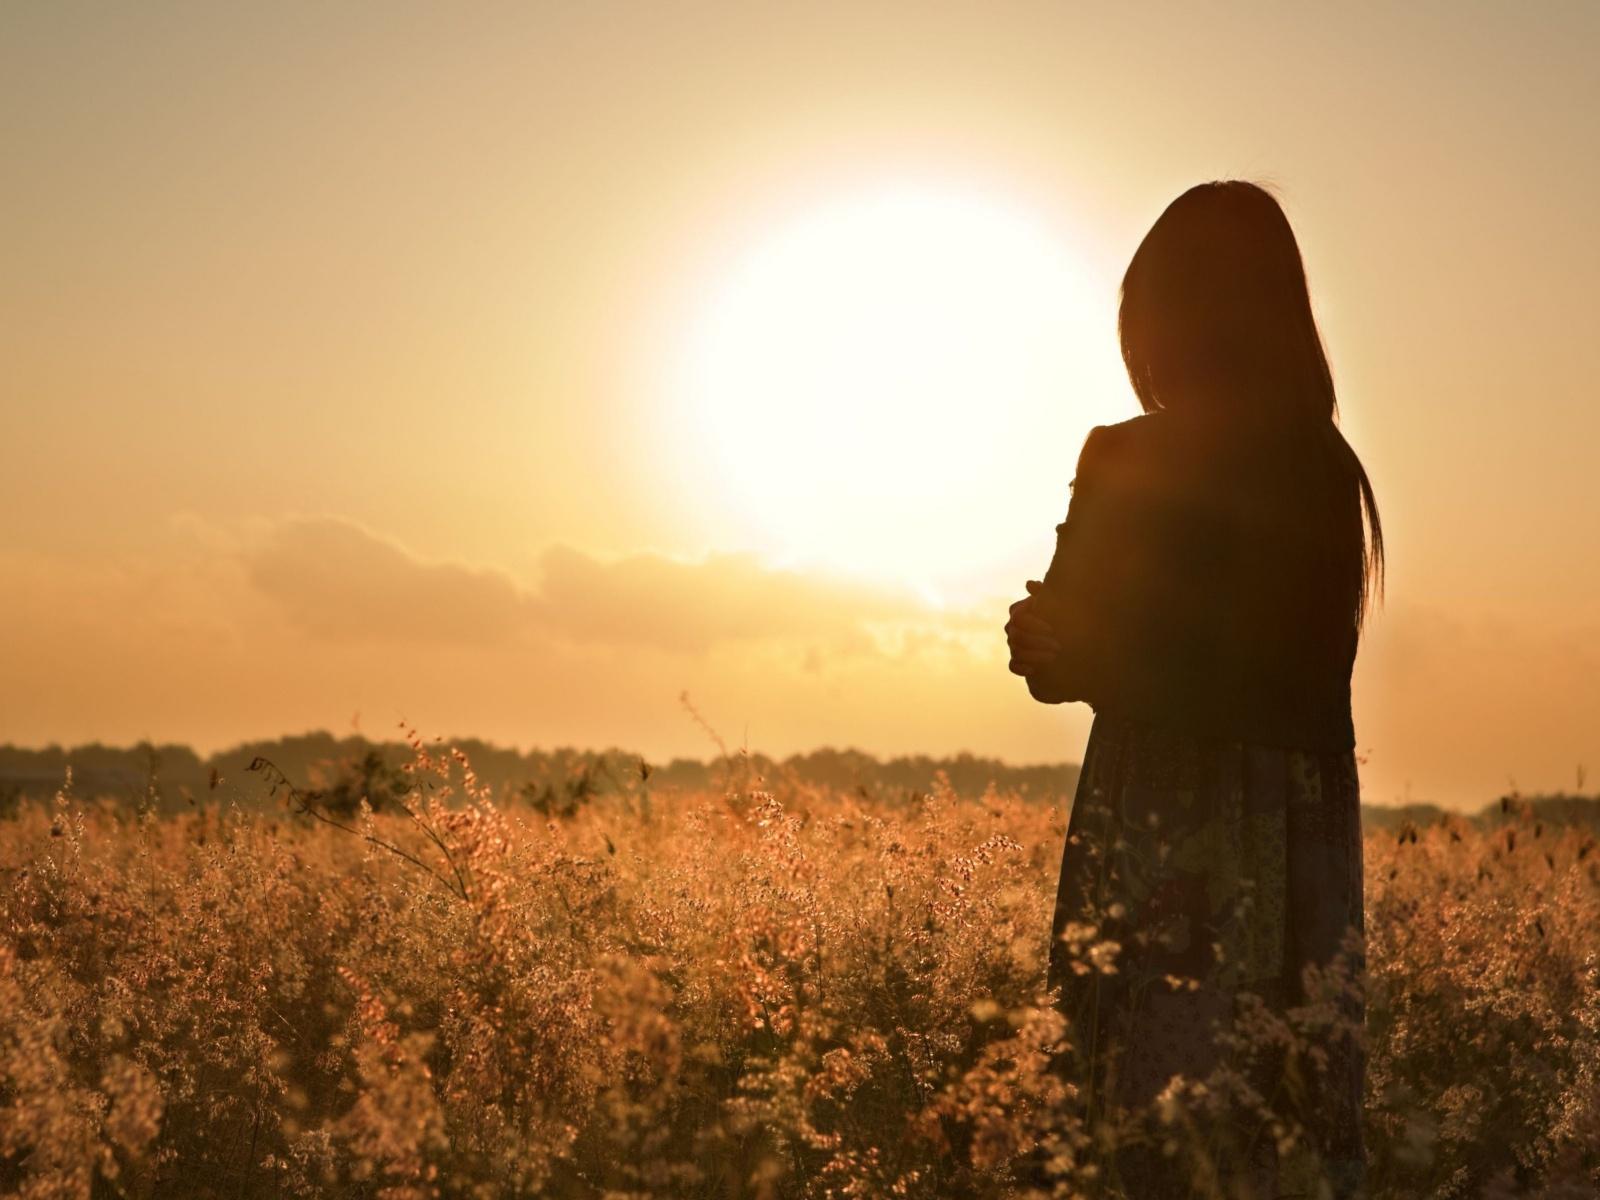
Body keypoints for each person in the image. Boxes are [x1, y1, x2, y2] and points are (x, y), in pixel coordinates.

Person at [1005, 180, 1382, 1199]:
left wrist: (1055, 648)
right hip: (1299, 838)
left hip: (1157, 818)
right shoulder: (1326, 467)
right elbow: (1276, 675)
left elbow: (1105, 665)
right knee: (1275, 1131)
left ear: (1158, 314)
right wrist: (1070, 652)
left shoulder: (1127, 454)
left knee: (1133, 1127)